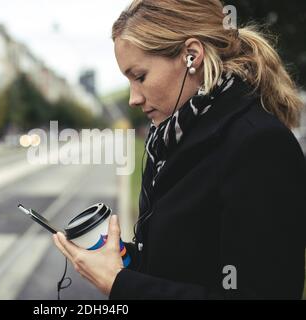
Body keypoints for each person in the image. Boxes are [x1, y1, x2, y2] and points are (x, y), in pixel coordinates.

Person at [53, 0, 306, 299]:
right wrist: (119, 258)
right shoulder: (170, 140)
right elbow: (177, 264)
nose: (133, 98)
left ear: (192, 56)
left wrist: (119, 284)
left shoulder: (259, 145)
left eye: (140, 76)